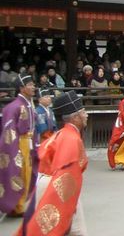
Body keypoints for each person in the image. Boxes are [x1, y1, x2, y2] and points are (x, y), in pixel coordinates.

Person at [17, 90, 89, 235]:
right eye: (83, 111)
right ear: (75, 118)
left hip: (50, 180)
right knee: (72, 229)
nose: (86, 114)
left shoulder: (64, 133)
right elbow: (66, 172)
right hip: (54, 183)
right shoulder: (70, 138)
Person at [0, 74, 39, 218]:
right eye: (30, 85)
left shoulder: (28, 105)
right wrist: (13, 149)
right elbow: (9, 131)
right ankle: (16, 205)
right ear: (22, 88)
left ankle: (22, 203)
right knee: (18, 173)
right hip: (19, 143)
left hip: (28, 141)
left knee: (28, 173)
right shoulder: (14, 107)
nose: (33, 87)